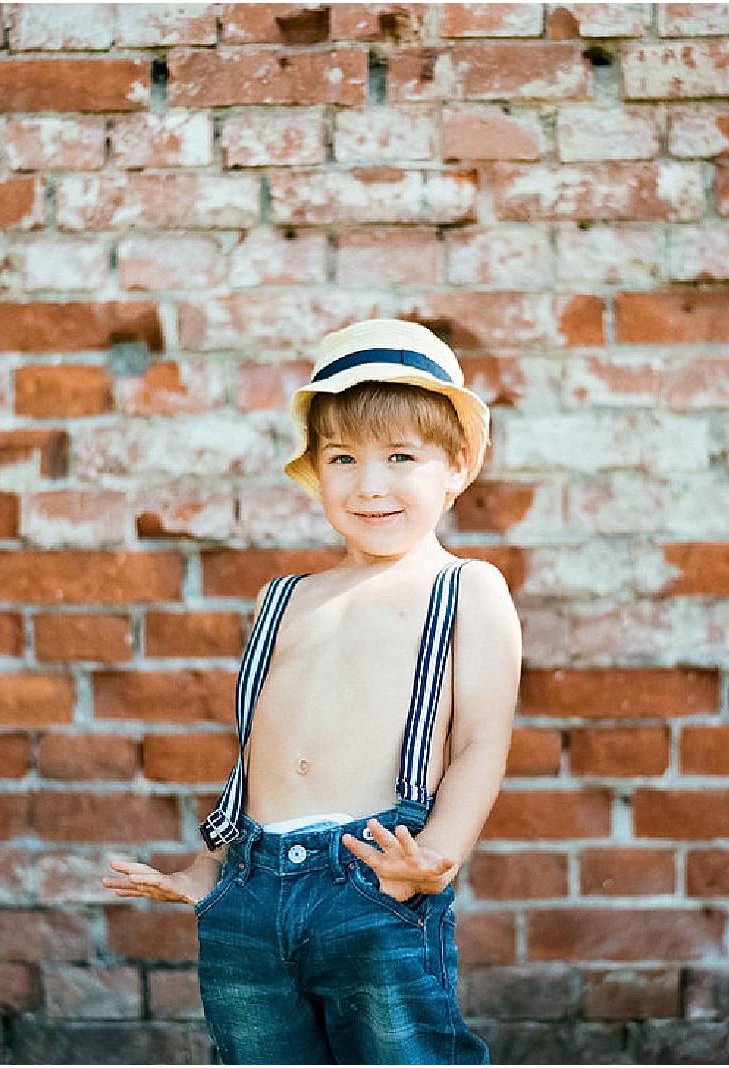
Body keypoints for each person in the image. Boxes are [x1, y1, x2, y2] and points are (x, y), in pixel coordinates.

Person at [104, 318, 523, 1064]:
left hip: (372, 881)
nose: (370, 485)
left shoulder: (464, 588)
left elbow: (481, 742)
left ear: (455, 465)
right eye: (343, 458)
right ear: (315, 471)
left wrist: (438, 854)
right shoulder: (284, 597)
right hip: (252, 893)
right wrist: (209, 872)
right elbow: (258, 752)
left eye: (401, 456)